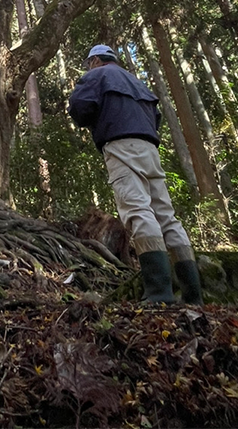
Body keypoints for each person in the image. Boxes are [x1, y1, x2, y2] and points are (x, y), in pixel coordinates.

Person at [68, 44, 203, 305]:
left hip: (120, 144)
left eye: (88, 63)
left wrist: (92, 119)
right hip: (149, 147)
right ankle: (193, 294)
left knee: (137, 209)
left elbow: (80, 106)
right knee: (166, 215)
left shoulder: (97, 75)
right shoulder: (136, 81)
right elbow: (156, 116)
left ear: (95, 60)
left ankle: (159, 293)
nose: (88, 68)